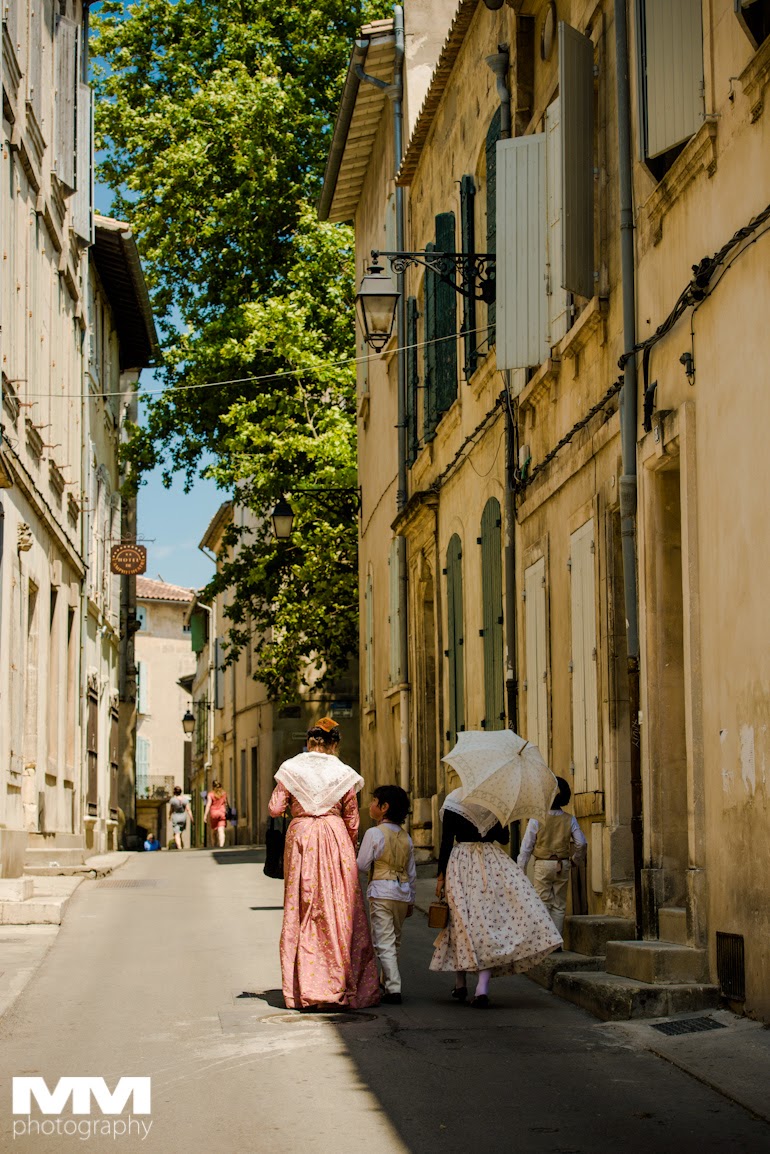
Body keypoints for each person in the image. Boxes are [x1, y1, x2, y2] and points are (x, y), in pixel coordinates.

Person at [268, 717, 380, 1011]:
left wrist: (297, 803)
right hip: (335, 838)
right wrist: (349, 846)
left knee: (304, 907)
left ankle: (306, 987)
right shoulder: (343, 773)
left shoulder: (291, 768)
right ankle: (343, 983)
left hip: (302, 837)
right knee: (341, 908)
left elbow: (275, 808)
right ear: (334, 744)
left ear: (309, 741)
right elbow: (352, 819)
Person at [430, 788, 562, 1007]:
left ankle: (460, 982)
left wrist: (441, 878)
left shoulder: (453, 801)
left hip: (461, 863)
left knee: (461, 922)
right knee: (488, 922)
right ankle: (482, 987)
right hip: (493, 864)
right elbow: (503, 838)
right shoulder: (494, 802)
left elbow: (446, 842)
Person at [356, 785, 416, 1005]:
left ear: (384, 807)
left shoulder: (374, 833)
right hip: (401, 892)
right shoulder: (405, 837)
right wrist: (411, 899)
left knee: (383, 940)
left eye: (374, 801)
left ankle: (393, 987)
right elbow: (412, 872)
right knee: (395, 941)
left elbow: (362, 865)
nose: (370, 805)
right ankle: (385, 981)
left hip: (381, 890)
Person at [517, 776, 587, 936]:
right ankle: (557, 940)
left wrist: (521, 869)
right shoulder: (569, 819)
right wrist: (576, 859)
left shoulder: (536, 819)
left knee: (542, 901)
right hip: (562, 863)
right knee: (559, 904)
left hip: (543, 864)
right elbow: (581, 843)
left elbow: (526, 846)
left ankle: (546, 939)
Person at [203, 780, 228, 849]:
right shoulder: (224, 793)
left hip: (213, 814)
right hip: (222, 813)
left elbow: (208, 805)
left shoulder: (210, 794)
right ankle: (221, 845)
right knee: (221, 830)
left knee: (213, 831)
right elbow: (226, 803)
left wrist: (205, 815)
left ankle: (214, 845)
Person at [169, 786, 193, 851]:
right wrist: (191, 818)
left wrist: (169, 816)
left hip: (176, 817)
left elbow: (171, 810)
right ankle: (179, 844)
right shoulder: (185, 800)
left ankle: (179, 847)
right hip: (183, 817)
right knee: (180, 832)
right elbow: (188, 810)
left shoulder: (173, 800)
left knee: (177, 833)